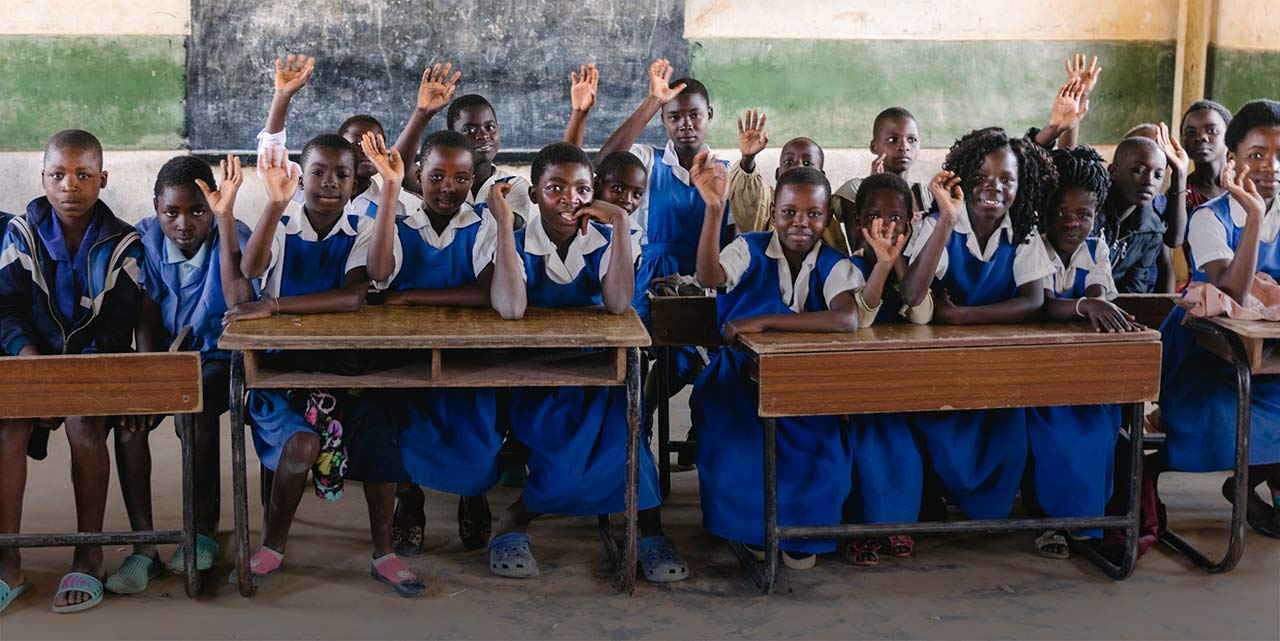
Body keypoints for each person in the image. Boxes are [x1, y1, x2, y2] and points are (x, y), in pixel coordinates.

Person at [486, 143, 684, 582]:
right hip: (536, 376)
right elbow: (512, 309)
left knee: (628, 437)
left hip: (600, 371)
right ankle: (516, 519)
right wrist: (502, 224)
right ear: (535, 194)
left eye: (581, 189)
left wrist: (619, 221)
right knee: (564, 451)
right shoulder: (517, 241)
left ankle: (648, 529)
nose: (568, 199)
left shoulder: (609, 239)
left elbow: (616, 305)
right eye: (554, 188)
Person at [691, 157, 863, 570]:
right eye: (789, 212)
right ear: (773, 213)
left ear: (827, 217)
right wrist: (715, 209)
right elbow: (708, 277)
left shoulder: (835, 263)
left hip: (805, 384)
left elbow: (846, 318)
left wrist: (764, 320)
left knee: (820, 454)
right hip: (738, 379)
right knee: (735, 445)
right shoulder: (747, 248)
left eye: (813, 214)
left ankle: (802, 536)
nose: (800, 223)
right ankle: (748, 529)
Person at [0, 130, 146, 613]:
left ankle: (89, 551)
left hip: (90, 366)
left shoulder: (124, 243)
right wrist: (34, 371)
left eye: (83, 175)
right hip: (27, 363)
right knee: (7, 429)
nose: (70, 186)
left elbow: (117, 325)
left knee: (86, 428)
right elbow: (4, 311)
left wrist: (65, 385)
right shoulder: (20, 234)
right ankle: (9, 561)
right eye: (58, 175)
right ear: (42, 178)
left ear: (102, 179)